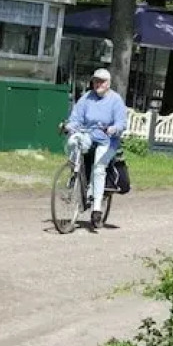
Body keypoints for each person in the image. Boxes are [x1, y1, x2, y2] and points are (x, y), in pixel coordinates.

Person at [64, 67, 127, 229]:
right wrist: (69, 126)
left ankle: (97, 208)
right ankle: (76, 171)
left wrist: (113, 129)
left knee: (99, 168)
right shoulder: (86, 98)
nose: (97, 84)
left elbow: (121, 123)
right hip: (89, 136)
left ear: (108, 84)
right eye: (95, 81)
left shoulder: (115, 100)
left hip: (108, 141)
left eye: (101, 81)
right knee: (73, 141)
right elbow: (76, 118)